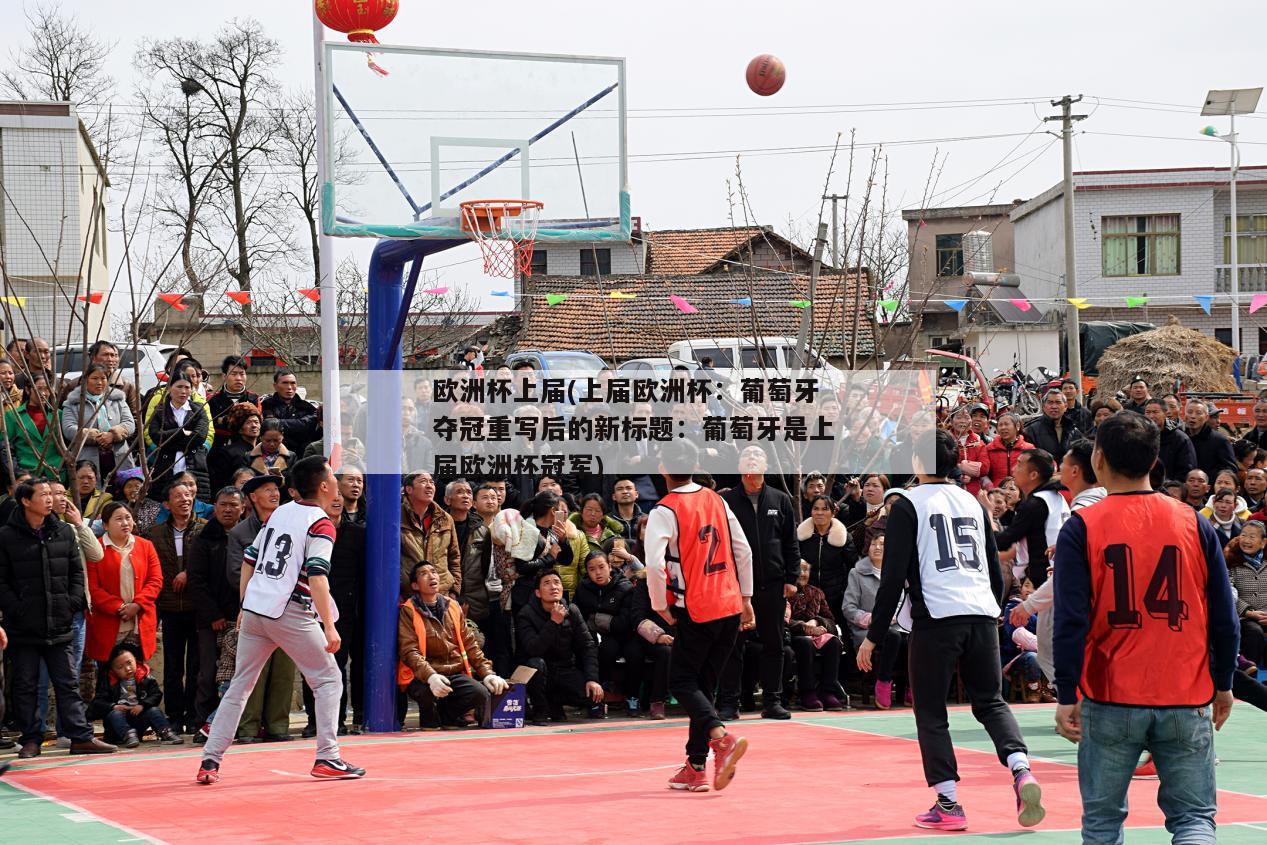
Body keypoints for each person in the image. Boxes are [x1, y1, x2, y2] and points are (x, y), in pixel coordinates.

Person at [1052, 412, 1239, 844]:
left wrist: (1065, 693)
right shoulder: (1194, 522)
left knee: (1102, 823)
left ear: (1098, 459)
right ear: (1156, 460)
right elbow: (1223, 615)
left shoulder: (1083, 526)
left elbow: (1070, 622)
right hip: (1185, 690)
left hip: (1111, 692)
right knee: (1194, 820)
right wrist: (1224, 682)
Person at [858, 429, 1043, 832]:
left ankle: (948, 803)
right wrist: (992, 608)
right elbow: (994, 567)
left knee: (930, 710)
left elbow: (892, 578)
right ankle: (1021, 768)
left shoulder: (908, 505)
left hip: (937, 617)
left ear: (918, 463)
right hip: (979, 612)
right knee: (991, 702)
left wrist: (873, 635)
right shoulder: (972, 501)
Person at [196, 456, 364, 784]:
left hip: (258, 607)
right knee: (329, 679)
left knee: (240, 686)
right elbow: (317, 575)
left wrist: (245, 604)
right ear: (325, 486)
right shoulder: (321, 523)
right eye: (332, 477)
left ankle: (210, 760)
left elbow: (249, 558)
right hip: (287, 610)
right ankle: (327, 756)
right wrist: (329, 625)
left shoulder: (280, 513)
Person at [645, 439, 754, 792]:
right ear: (694, 464)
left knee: (681, 683)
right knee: (703, 685)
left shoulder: (665, 509)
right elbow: (744, 550)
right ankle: (695, 765)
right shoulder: (718, 499)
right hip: (729, 602)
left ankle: (720, 739)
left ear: (663, 469)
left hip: (697, 605)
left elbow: (653, 564)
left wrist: (660, 603)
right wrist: (747, 597)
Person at [0, 478, 117, 757]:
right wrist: (17, 608)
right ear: (26, 501)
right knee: (27, 684)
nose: (50, 499)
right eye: (43, 495)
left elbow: (78, 572)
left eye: (51, 495)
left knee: (68, 682)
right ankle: (31, 738)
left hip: (61, 622)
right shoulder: (6, 536)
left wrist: (71, 603)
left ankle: (80, 736)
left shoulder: (63, 531)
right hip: (23, 627)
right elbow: (1, 582)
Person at [1008, 439, 1103, 687]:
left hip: (1074, 591)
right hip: (1086, 591)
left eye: (1063, 464)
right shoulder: (1089, 501)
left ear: (1075, 471)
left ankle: (1077, 705)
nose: (1057, 471)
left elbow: (1069, 571)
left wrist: (1029, 606)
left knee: (1054, 651)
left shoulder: (1081, 507)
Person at [720, 446, 799, 720]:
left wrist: (791, 578)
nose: (751, 458)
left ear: (766, 465)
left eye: (757, 456)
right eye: (746, 455)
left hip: (773, 585)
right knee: (733, 645)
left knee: (774, 645)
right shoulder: (726, 501)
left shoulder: (780, 499)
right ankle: (730, 702)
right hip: (737, 587)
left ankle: (772, 701)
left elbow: (790, 542)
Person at [226, 473, 295, 744]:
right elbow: (235, 573)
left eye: (276, 489)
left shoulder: (291, 524)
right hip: (256, 608)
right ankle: (247, 728)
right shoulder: (241, 532)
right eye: (267, 490)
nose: (274, 494)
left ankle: (278, 726)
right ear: (253, 498)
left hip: (287, 607)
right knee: (253, 669)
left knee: (284, 671)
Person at [397, 560, 507, 729]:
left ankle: (447, 715)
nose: (431, 576)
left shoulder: (453, 607)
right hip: (423, 675)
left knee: (480, 692)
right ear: (415, 585)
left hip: (453, 672)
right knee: (424, 694)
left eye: (433, 571)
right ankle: (430, 718)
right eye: (424, 573)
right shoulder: (408, 610)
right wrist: (431, 676)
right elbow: (409, 650)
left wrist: (487, 673)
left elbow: (470, 644)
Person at [147, 480, 205, 734]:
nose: (185, 499)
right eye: (178, 496)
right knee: (172, 667)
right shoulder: (155, 533)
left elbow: (209, 564)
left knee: (196, 666)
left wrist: (188, 574)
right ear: (166, 504)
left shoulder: (205, 528)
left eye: (188, 495)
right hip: (169, 607)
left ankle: (193, 715)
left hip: (197, 607)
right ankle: (174, 715)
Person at [186, 487, 245, 729]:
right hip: (211, 620)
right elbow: (196, 580)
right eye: (223, 504)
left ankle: (237, 724)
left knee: (240, 674)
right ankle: (203, 722)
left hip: (243, 617)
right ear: (215, 506)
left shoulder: (250, 536)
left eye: (233, 505)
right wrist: (213, 614)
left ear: (243, 508)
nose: (228, 509)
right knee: (208, 673)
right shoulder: (203, 539)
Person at [515, 568, 604, 723]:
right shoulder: (526, 614)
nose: (553, 587)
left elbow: (587, 645)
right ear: (538, 593)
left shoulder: (572, 610)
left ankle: (554, 702)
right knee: (536, 664)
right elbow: (533, 649)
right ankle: (540, 709)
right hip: (538, 672)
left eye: (557, 583)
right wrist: (553, 622)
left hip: (565, 669)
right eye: (547, 584)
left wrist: (592, 679)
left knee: (594, 699)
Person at [86, 501, 164, 668]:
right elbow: (92, 588)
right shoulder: (95, 549)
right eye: (119, 519)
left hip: (139, 621)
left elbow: (155, 580)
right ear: (105, 525)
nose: (125, 523)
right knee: (107, 675)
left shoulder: (145, 546)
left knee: (138, 673)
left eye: (128, 518)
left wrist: (137, 604)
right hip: (108, 622)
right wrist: (119, 607)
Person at [845, 532, 908, 708]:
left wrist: (892, 617)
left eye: (882, 544)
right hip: (867, 630)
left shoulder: (897, 572)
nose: (878, 547)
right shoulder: (856, 573)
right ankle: (883, 682)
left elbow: (902, 601)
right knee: (894, 637)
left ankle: (911, 688)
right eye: (874, 544)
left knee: (909, 640)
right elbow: (848, 608)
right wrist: (873, 619)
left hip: (895, 625)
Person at [995, 449, 1068, 588]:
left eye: (1019, 464)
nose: (1013, 469)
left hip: (1049, 578)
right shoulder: (1055, 496)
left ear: (1033, 475)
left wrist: (987, 517)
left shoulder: (1035, 504)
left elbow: (1004, 541)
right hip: (1059, 572)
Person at [575, 550, 636, 714]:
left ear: (610, 567)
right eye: (592, 569)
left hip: (627, 634)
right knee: (602, 649)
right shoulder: (582, 589)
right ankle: (597, 699)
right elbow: (578, 617)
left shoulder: (625, 587)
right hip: (602, 637)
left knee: (635, 652)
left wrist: (597, 619)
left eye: (601, 567)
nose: (598, 573)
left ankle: (633, 697)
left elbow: (625, 621)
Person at [88, 641, 183, 747]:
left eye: (129, 663)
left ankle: (166, 732)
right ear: (113, 670)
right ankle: (128, 736)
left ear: (136, 661)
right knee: (115, 714)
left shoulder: (145, 678)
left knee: (154, 711)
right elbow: (97, 702)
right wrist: (114, 706)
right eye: (120, 667)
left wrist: (143, 705)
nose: (127, 669)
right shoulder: (108, 681)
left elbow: (156, 694)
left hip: (138, 718)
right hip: (117, 725)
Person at [787, 560, 846, 711]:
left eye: (806, 569)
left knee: (833, 642)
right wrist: (804, 627)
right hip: (792, 634)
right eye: (799, 569)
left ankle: (827, 692)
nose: (802, 573)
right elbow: (781, 620)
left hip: (816, 633)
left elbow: (831, 621)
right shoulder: (785, 591)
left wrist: (816, 621)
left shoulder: (816, 593)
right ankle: (807, 693)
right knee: (804, 643)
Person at [61, 363, 136, 483]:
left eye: (103, 378)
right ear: (85, 381)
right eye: (95, 378)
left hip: (119, 457)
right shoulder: (73, 403)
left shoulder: (117, 399)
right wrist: (93, 436)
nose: (99, 382)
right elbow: (68, 429)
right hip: (87, 459)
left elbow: (130, 423)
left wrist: (113, 435)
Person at [146, 375, 212, 501]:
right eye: (179, 387)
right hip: (165, 469)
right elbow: (156, 437)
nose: (183, 391)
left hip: (194, 466)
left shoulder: (198, 410)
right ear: (170, 388)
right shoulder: (160, 411)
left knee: (195, 508)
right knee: (164, 507)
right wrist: (182, 432)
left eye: (187, 387)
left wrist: (169, 441)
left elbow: (199, 437)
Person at [797, 494, 857, 626]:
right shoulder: (800, 536)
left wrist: (844, 591)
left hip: (836, 597)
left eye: (825, 509)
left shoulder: (843, 537)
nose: (819, 513)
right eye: (816, 508)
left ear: (833, 512)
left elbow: (853, 566)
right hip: (806, 595)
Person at [399, 471, 462, 597]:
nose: (429, 486)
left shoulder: (445, 519)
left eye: (432, 482)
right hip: (409, 595)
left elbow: (454, 557)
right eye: (423, 482)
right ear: (409, 489)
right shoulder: (396, 516)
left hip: (442, 594)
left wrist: (454, 591)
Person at [5, 371, 64, 480]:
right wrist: (17, 472)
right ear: (27, 390)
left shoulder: (58, 415)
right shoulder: (12, 416)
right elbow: (6, 449)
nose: (43, 393)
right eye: (38, 389)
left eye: (46, 389)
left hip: (56, 474)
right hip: (28, 475)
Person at [1226, 519, 1267, 669]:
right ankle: (1248, 679)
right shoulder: (1231, 562)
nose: (1246, 540)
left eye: (1252, 536)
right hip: (1244, 617)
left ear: (1263, 543)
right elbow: (1228, 594)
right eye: (1243, 535)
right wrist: (1249, 612)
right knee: (1254, 633)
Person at [260, 369, 321, 456]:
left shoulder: (308, 407)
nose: (289, 387)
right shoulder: (266, 405)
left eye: (293, 383)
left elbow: (307, 425)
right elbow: (268, 427)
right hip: (274, 454)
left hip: (303, 454)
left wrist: (278, 422)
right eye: (285, 383)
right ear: (275, 386)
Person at [208, 402, 261, 495]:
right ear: (239, 429)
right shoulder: (227, 453)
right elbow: (219, 484)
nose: (254, 425)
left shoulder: (264, 450)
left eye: (256, 422)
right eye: (248, 422)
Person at [207, 356, 260, 445]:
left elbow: (256, 422)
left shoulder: (253, 398)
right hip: (220, 448)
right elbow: (211, 425)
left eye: (242, 374)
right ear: (224, 376)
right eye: (234, 374)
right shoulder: (213, 400)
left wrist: (223, 420)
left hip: (248, 447)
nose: (238, 378)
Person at [1144, 398, 1197, 482]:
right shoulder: (1140, 437)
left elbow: (1186, 470)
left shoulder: (1180, 439)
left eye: (1155, 412)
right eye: (1148, 412)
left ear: (1165, 414)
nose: (1151, 416)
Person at [1185, 399, 1237, 482]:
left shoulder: (1220, 441)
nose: (1193, 416)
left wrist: (1207, 479)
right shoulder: (1181, 438)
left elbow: (1230, 470)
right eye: (1190, 412)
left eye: (1198, 413)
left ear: (1206, 417)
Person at [1023, 389, 1079, 464]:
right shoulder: (1031, 430)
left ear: (1065, 407)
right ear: (1043, 406)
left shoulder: (1073, 429)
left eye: (1058, 402)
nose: (1054, 406)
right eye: (1050, 402)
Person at [983, 413, 1032, 489]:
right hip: (997, 493)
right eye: (1000, 425)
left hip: (1021, 492)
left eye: (1006, 424)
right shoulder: (989, 449)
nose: (1003, 428)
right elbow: (984, 473)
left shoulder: (1028, 448)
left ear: (1017, 426)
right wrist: (990, 487)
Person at [948, 408, 987, 495]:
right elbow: (942, 464)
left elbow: (985, 468)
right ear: (951, 420)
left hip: (973, 492)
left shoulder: (978, 442)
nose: (963, 421)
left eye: (966, 418)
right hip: (950, 490)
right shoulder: (945, 440)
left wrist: (963, 466)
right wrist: (960, 470)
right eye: (959, 418)